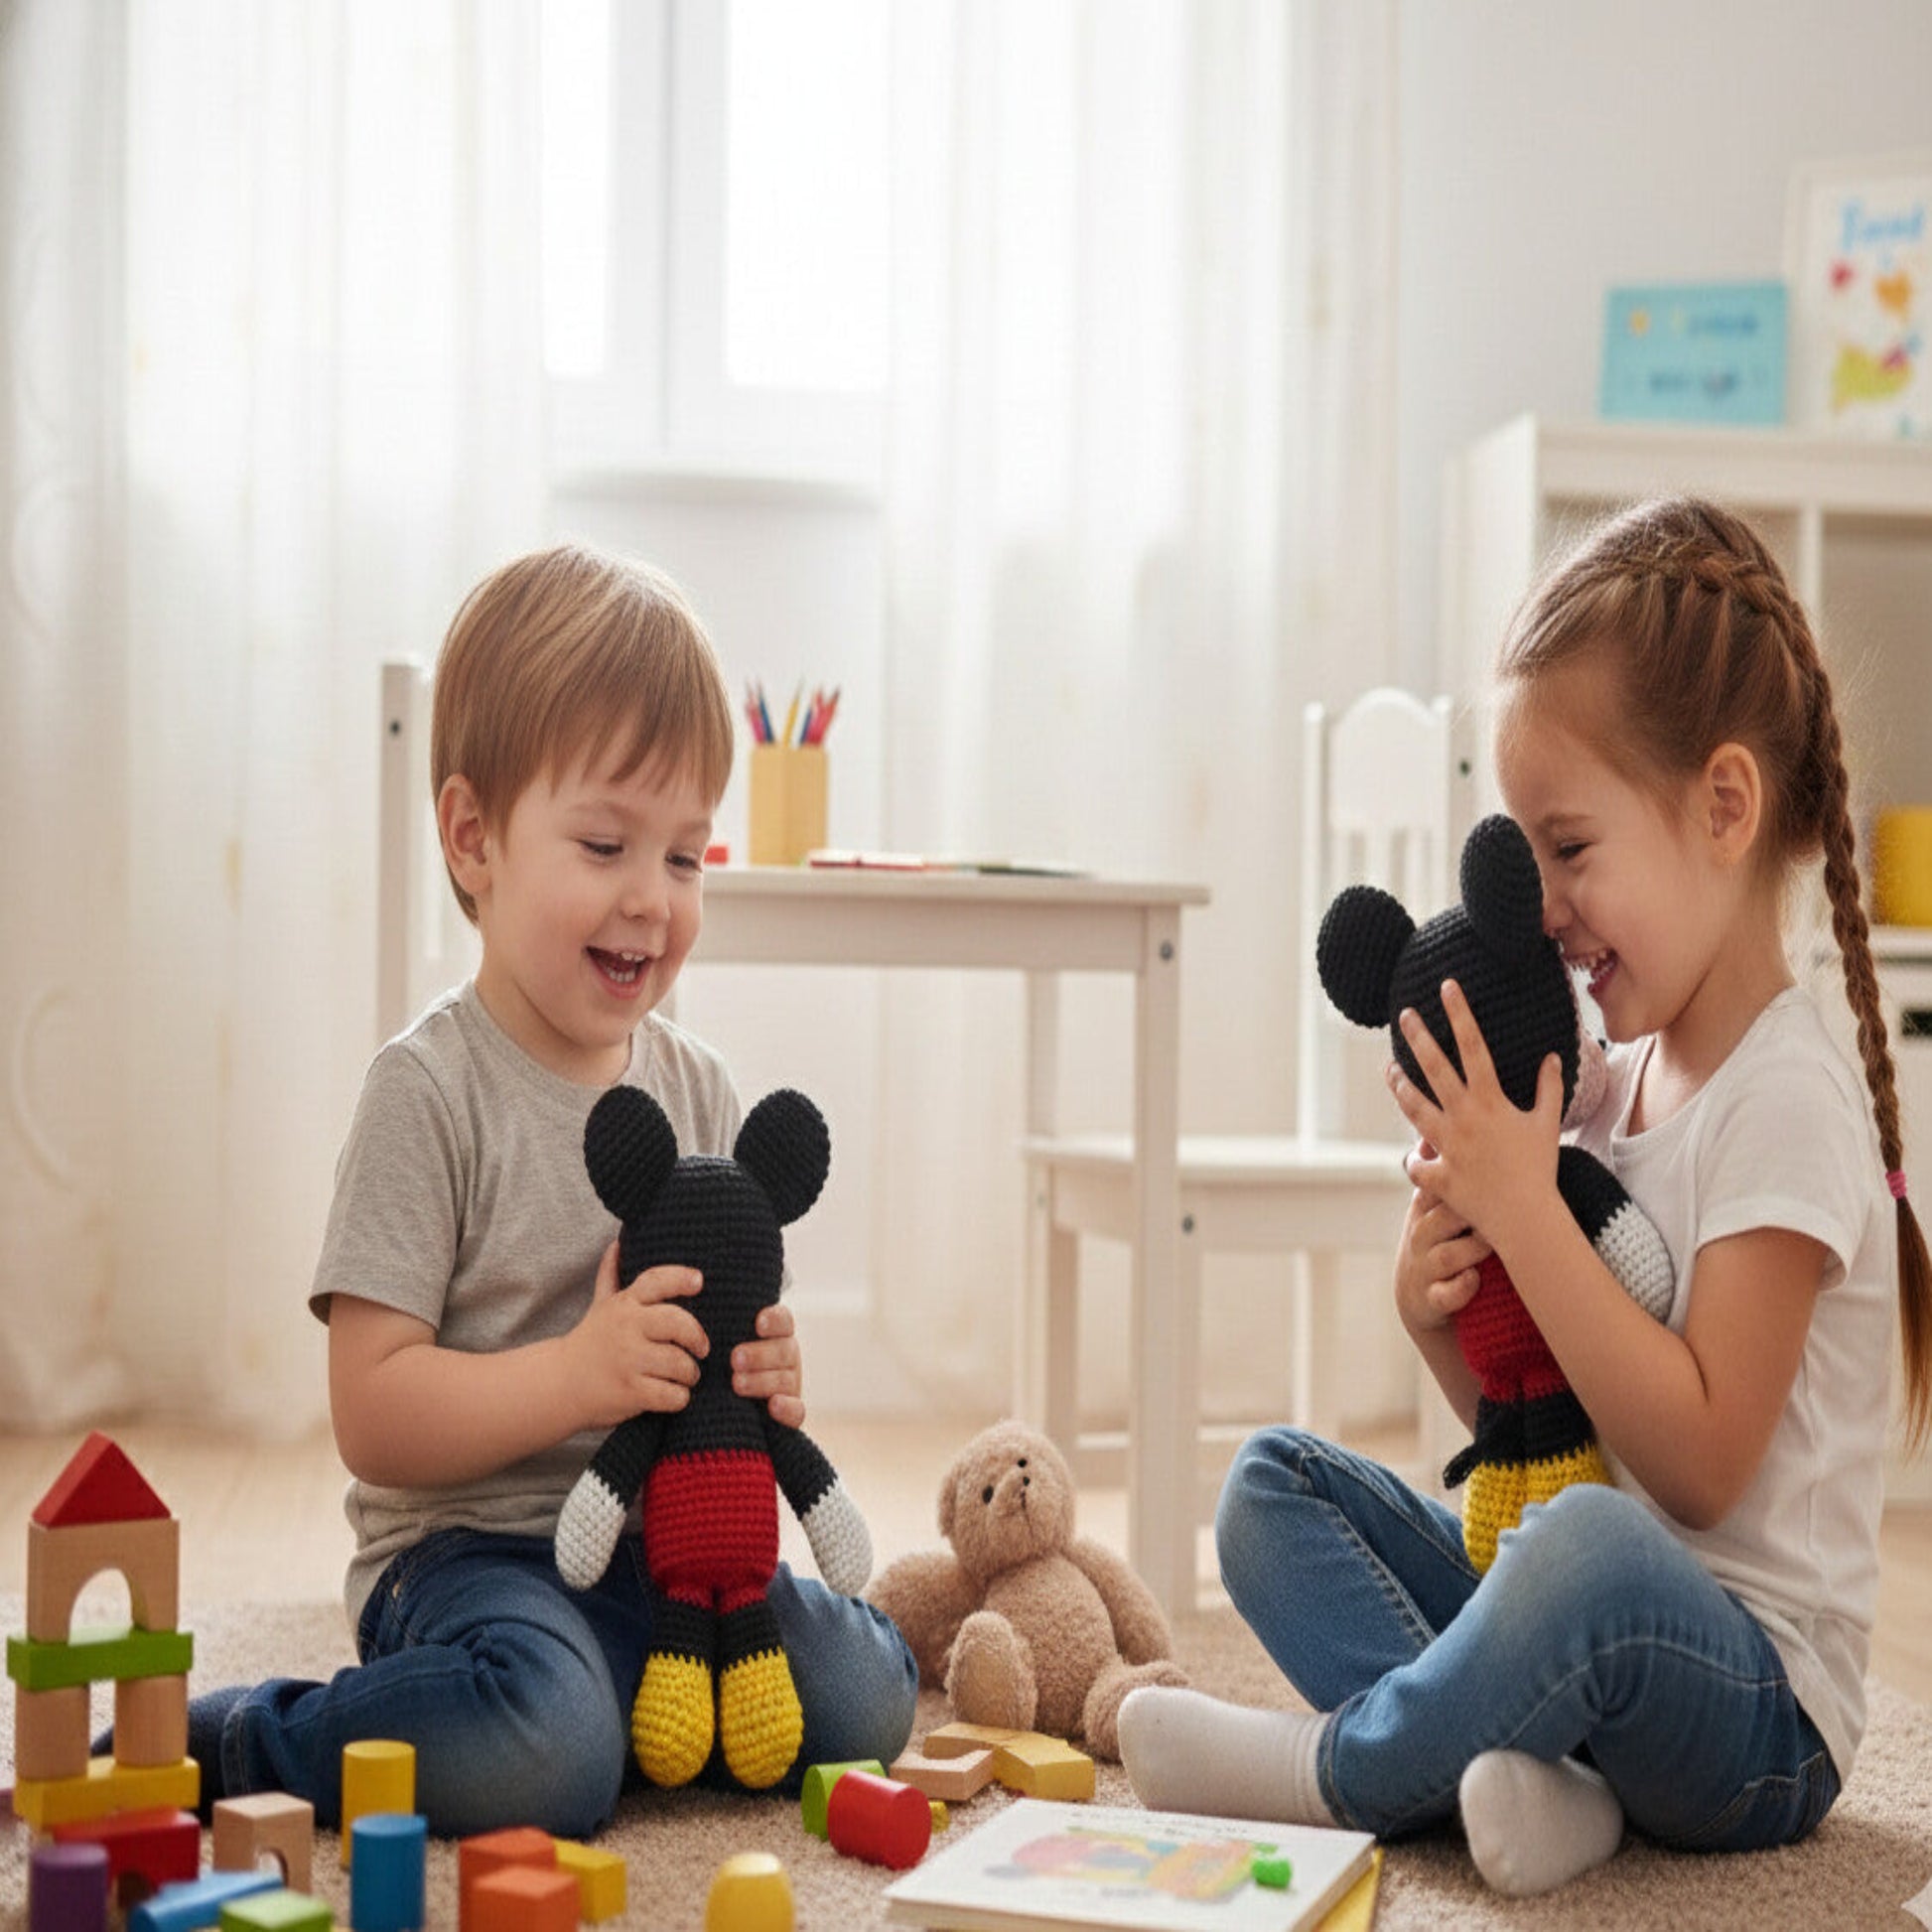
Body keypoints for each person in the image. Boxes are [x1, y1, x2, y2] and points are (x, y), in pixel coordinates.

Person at [1116, 497, 1932, 1895]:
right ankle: (1540, 1787)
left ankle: (1343, 1770)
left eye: (1569, 847)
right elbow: (1536, 1433)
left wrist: (1535, 1213)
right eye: (1526, 855)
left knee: (1585, 1552)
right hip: (1580, 1600)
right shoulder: (1606, 1080)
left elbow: (1691, 1464)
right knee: (1270, 1486)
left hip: (1752, 1711)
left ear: (1721, 807)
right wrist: (1435, 1304)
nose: (1541, 907)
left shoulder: (1785, 1100)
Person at [161, 542, 917, 1838]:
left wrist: (769, 1377)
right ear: (473, 838)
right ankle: (254, 1730)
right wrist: (578, 1375)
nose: (650, 898)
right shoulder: (428, 1090)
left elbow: (719, 1353)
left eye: (684, 857)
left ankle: (619, 1693)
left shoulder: (702, 1091)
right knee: (544, 1757)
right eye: (607, 842)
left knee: (867, 1693)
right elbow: (373, 1411)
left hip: (671, 1555)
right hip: (471, 1561)